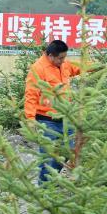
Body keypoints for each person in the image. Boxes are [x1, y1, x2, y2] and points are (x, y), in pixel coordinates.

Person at [24, 40, 83, 184]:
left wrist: (97, 66)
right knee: (48, 157)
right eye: (60, 58)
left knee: (69, 150)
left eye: (64, 57)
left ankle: (51, 180)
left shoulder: (64, 64)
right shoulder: (38, 69)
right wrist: (30, 118)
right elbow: (31, 95)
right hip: (46, 120)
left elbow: (78, 68)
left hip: (66, 117)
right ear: (50, 56)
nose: (63, 61)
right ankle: (44, 189)